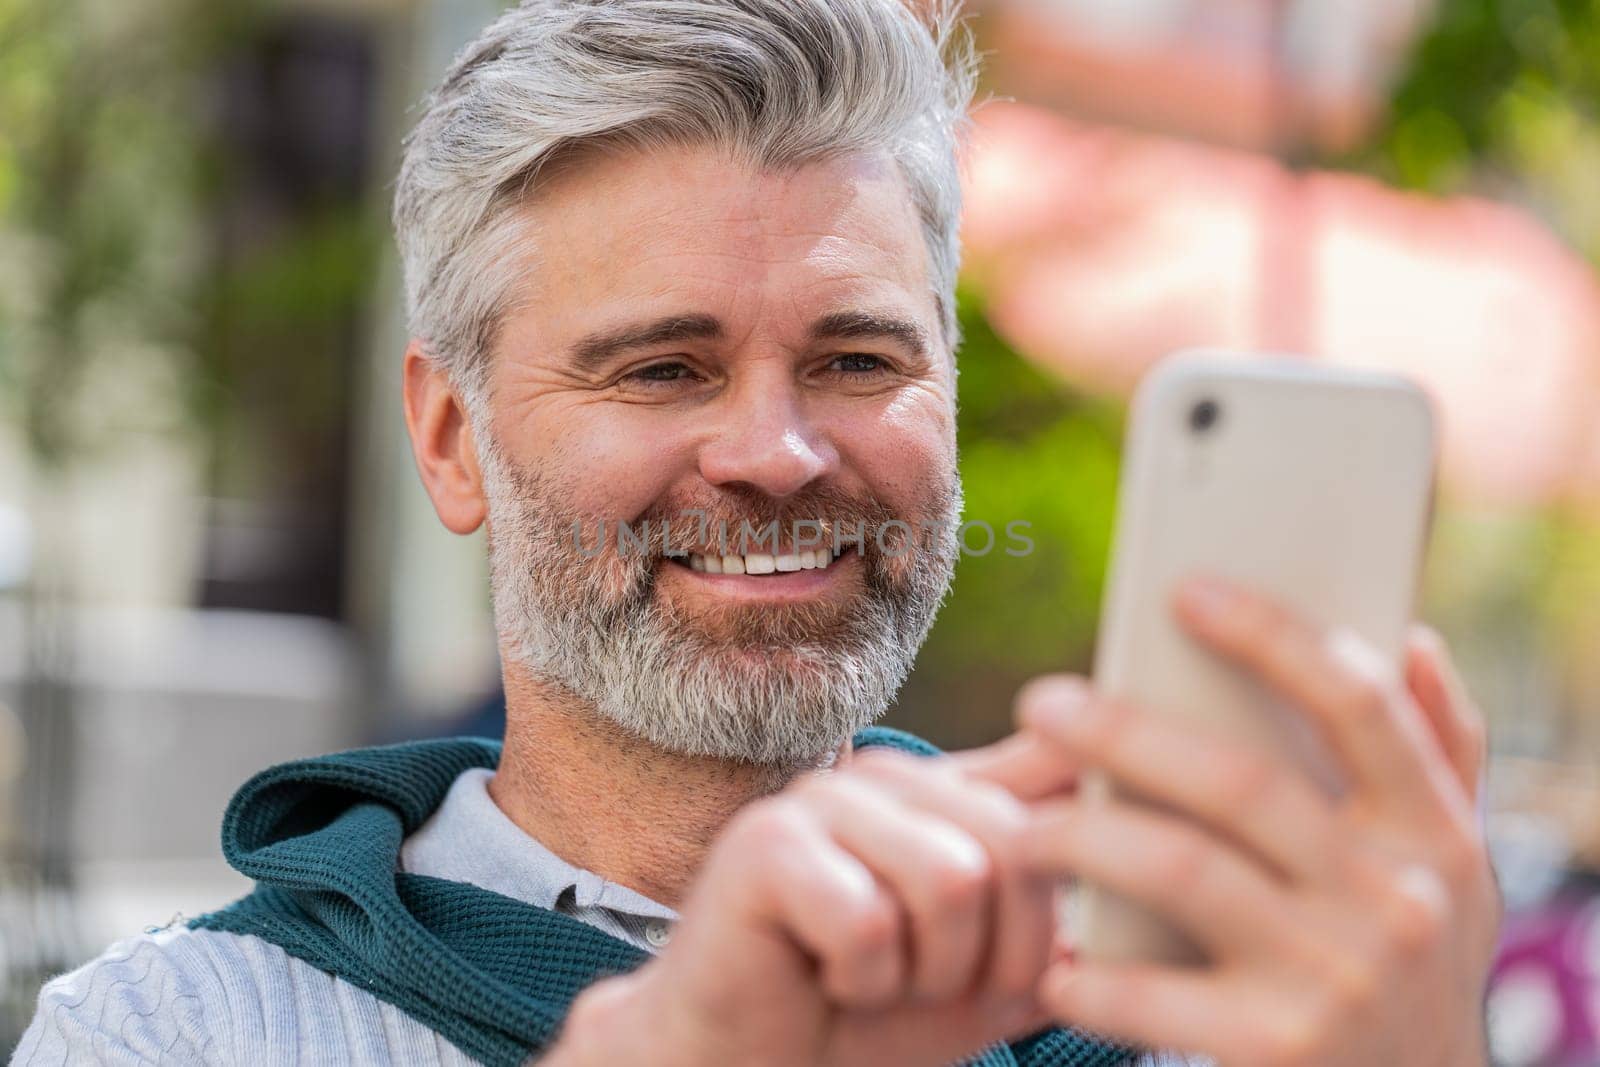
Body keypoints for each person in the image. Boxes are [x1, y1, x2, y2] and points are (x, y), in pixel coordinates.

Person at [14, 1, 1500, 1064]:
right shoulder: (170, 1035)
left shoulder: (1200, 1010)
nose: (779, 456)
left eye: (860, 360)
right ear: (451, 438)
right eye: (663, 367)